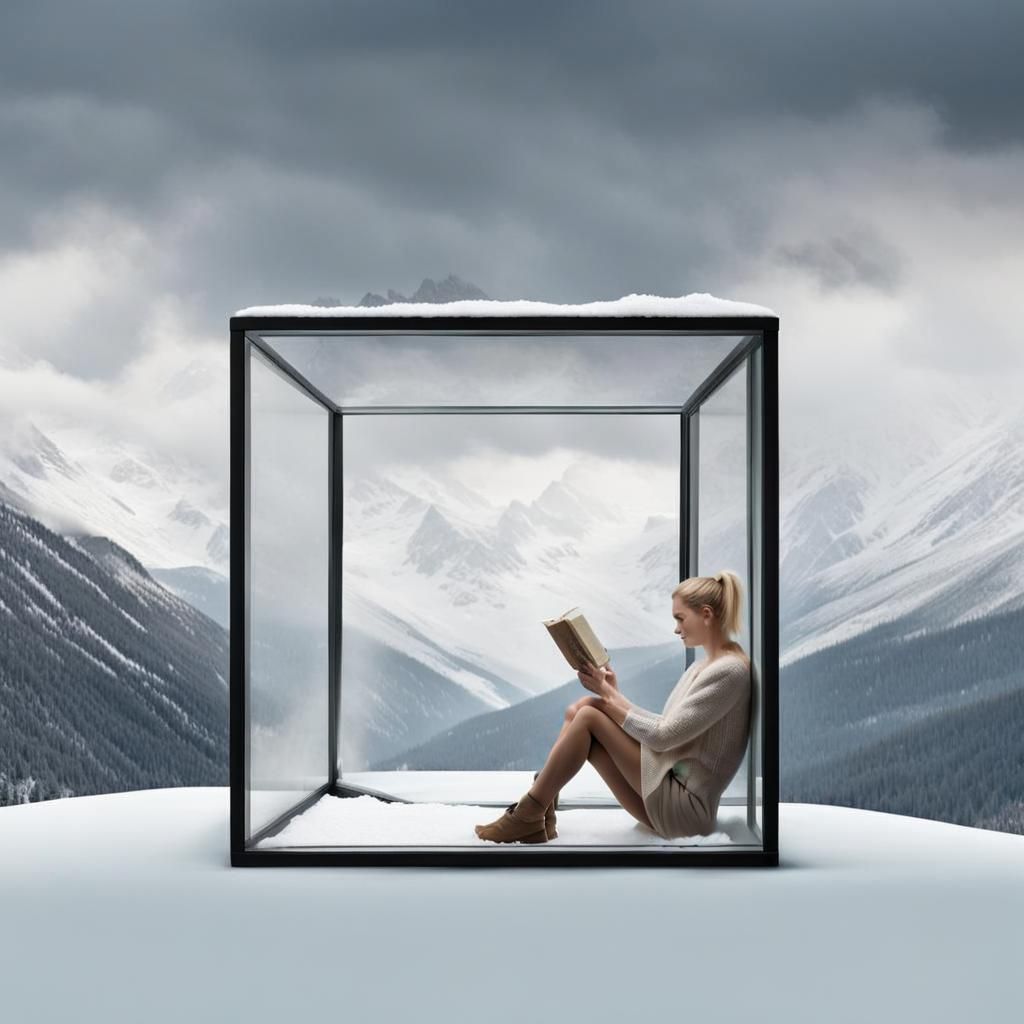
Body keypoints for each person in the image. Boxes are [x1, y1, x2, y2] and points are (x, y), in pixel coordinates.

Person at [475, 570, 752, 843]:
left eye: (680, 618)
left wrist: (607, 694)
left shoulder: (728, 672)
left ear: (706, 614)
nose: (676, 628)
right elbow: (669, 726)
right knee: (582, 708)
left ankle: (529, 812)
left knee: (588, 717)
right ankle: (539, 810)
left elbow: (663, 736)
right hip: (673, 791)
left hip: (685, 808)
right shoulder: (706, 666)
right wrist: (612, 694)